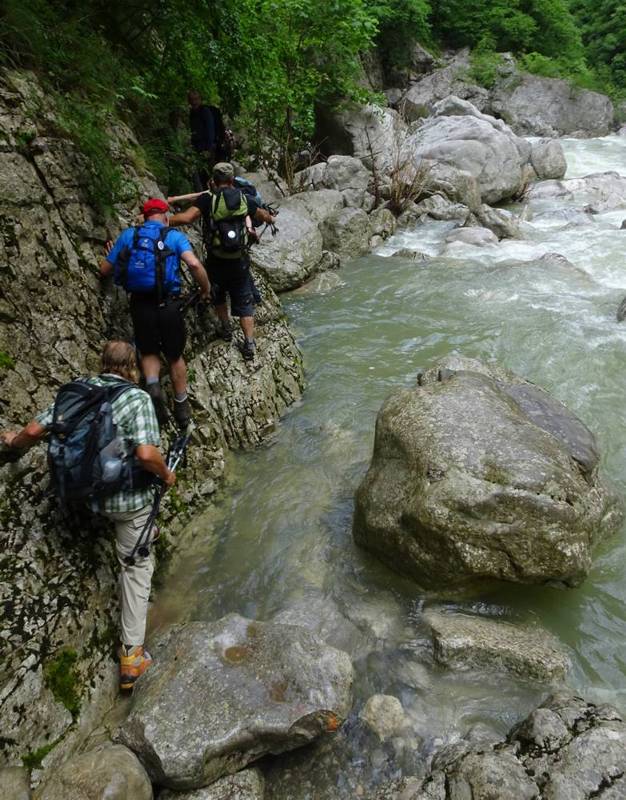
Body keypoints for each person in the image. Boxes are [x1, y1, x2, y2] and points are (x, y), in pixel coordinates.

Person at [0, 341, 174, 691]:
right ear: (133, 368)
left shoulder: (78, 389)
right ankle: (131, 657)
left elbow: (34, 431)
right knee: (136, 568)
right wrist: (167, 475)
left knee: (134, 526)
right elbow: (145, 453)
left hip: (81, 495)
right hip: (126, 504)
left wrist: (11, 442)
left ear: (102, 363)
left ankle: (144, 531)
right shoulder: (137, 398)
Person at [100, 198, 210, 428]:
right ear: (165, 216)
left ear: (145, 215)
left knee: (149, 351)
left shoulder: (130, 236)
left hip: (140, 304)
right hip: (169, 305)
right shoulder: (174, 236)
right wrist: (205, 288)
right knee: (175, 356)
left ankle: (152, 385)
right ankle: (181, 407)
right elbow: (194, 265)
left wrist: (114, 255)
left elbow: (104, 270)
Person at [168, 163, 275, 360]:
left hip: (216, 258)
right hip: (239, 260)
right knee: (243, 299)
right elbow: (262, 215)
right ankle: (249, 342)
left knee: (217, 293)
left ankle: (225, 328)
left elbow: (187, 218)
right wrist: (270, 218)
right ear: (232, 180)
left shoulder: (208, 198)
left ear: (214, 180)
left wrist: (164, 221)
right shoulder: (244, 198)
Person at [188, 91, 231, 191]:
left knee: (210, 172)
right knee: (203, 172)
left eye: (196, 99)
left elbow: (210, 129)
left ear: (200, 100)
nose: (194, 102)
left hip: (208, 147)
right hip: (198, 147)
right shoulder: (193, 113)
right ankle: (207, 193)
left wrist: (209, 147)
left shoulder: (205, 112)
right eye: (192, 100)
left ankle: (214, 193)